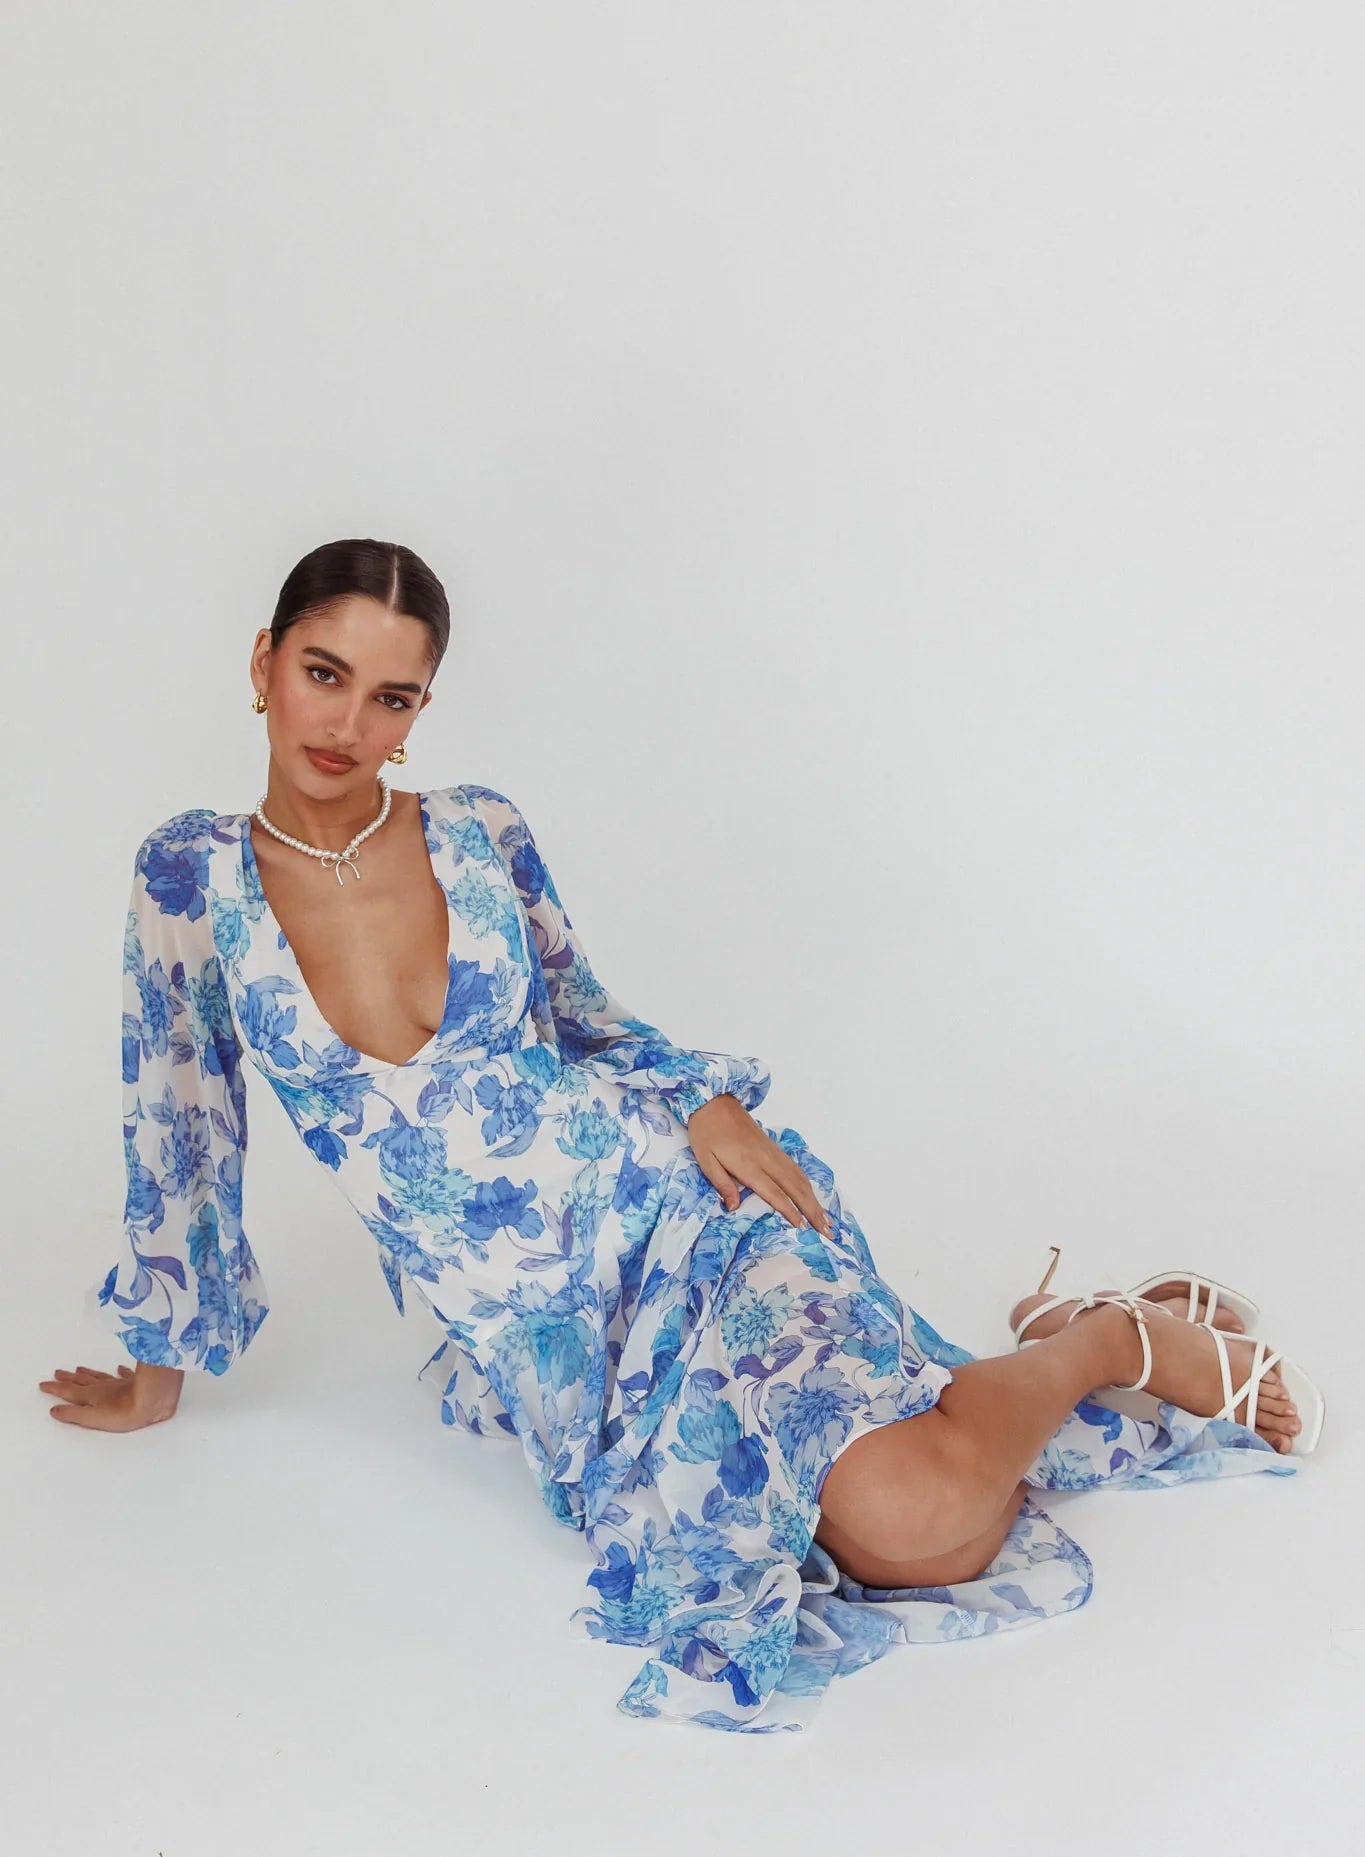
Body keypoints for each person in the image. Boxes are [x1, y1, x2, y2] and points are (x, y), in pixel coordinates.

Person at [50, 537, 1315, 1735]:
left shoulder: (476, 830)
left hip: (688, 1217)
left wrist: (701, 1101)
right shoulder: (191, 877)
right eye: (324, 674)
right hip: (562, 1342)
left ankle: (1111, 1338)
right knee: (910, 1541)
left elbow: (582, 1011)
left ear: (420, 711)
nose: (347, 725)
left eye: (393, 698)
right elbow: (181, 1122)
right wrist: (160, 1368)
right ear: (264, 660)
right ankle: (1065, 1341)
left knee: (919, 1519)